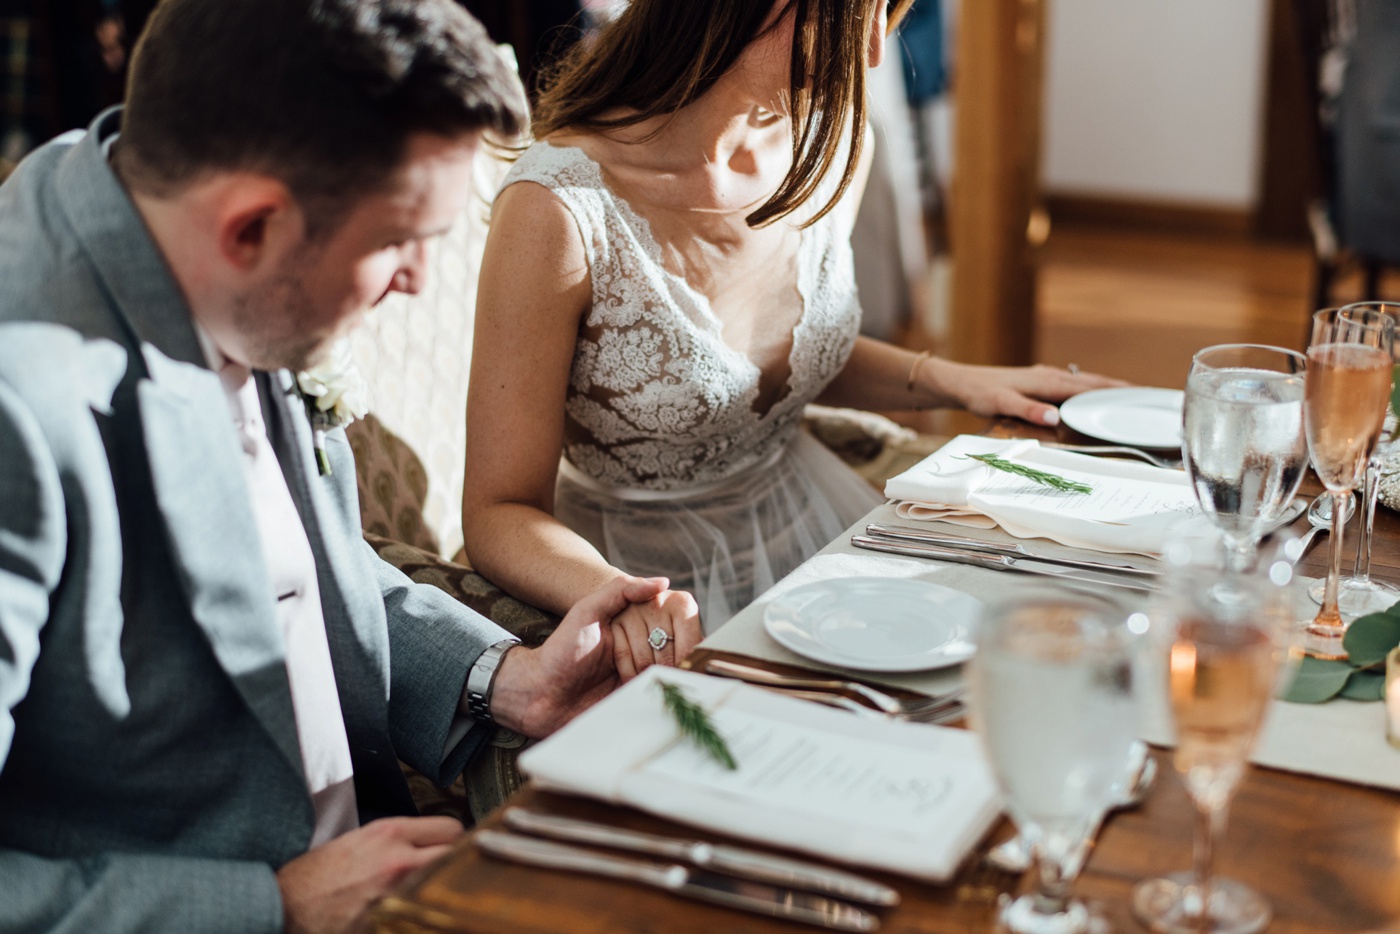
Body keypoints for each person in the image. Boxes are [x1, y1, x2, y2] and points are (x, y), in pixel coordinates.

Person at [0, 1, 673, 931]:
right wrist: (269, 908)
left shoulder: (177, 223)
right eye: (399, 240)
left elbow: (295, 570)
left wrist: (502, 682)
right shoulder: (19, 418)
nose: (418, 283)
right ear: (251, 229)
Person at [461, 0, 1121, 650]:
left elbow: (779, 358)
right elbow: (498, 512)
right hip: (640, 577)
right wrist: (616, 594)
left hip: (816, 531)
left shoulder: (831, 141)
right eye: (846, 17)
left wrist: (958, 383)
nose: (871, 54)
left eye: (881, 13)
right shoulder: (558, 211)